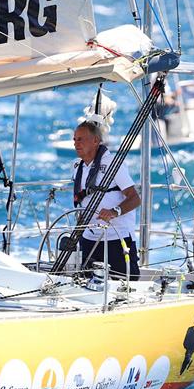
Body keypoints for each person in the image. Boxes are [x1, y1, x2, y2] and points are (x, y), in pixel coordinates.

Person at [71, 120, 141, 280]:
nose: (76, 143)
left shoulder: (113, 164)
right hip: (88, 237)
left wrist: (114, 212)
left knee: (126, 286)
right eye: (75, 139)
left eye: (81, 139)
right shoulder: (77, 166)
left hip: (117, 238)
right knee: (87, 285)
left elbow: (135, 198)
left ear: (95, 141)